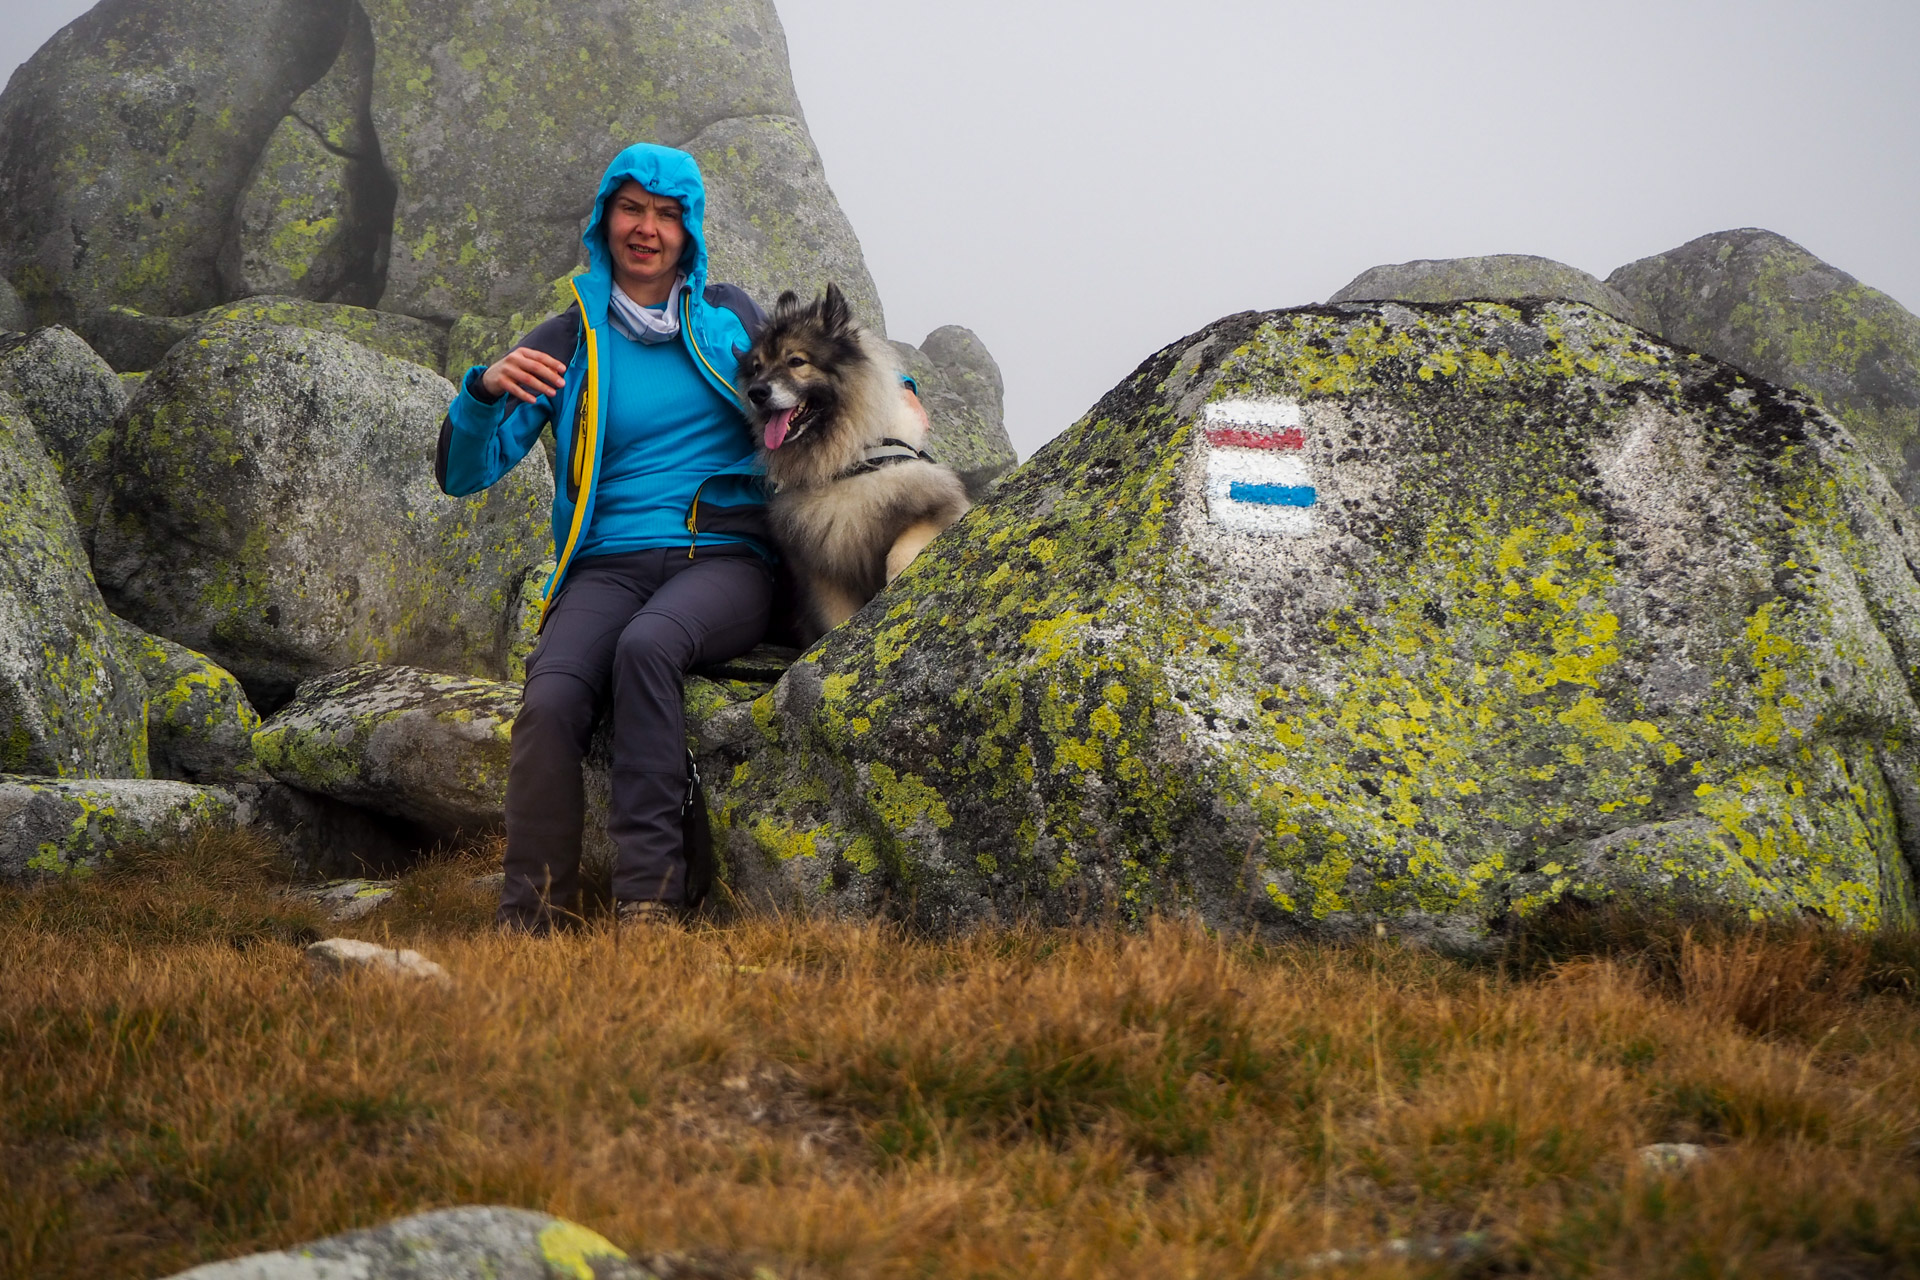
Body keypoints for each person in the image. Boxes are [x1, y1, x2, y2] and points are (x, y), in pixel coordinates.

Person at [437, 144, 778, 933]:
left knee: (648, 648)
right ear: (604, 219)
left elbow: (819, 366)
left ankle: (649, 904)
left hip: (723, 555)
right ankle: (532, 918)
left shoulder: (729, 314)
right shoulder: (567, 336)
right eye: (632, 210)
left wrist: (899, 390)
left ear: (689, 230)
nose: (648, 230)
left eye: (667, 215)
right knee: (551, 699)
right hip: (605, 565)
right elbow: (462, 474)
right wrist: (483, 392)